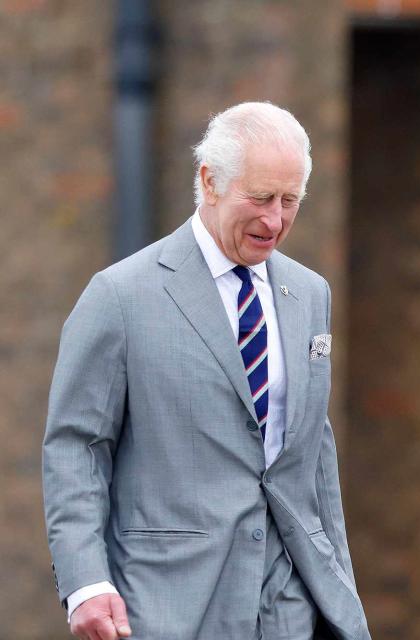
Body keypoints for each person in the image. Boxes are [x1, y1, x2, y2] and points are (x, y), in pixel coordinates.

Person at [43, 102, 370, 640]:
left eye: (291, 201)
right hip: (168, 602)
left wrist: (340, 587)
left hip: (292, 605)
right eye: (261, 198)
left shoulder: (311, 294)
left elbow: (313, 455)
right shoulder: (121, 296)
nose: (275, 220)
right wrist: (85, 581)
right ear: (209, 182)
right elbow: (76, 446)